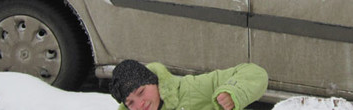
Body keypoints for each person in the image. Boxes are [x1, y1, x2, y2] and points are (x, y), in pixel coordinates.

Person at [109, 59, 268, 110]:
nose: (140, 103)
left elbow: (254, 72)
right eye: (130, 102)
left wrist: (234, 92)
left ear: (154, 82)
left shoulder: (192, 88)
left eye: (141, 91)